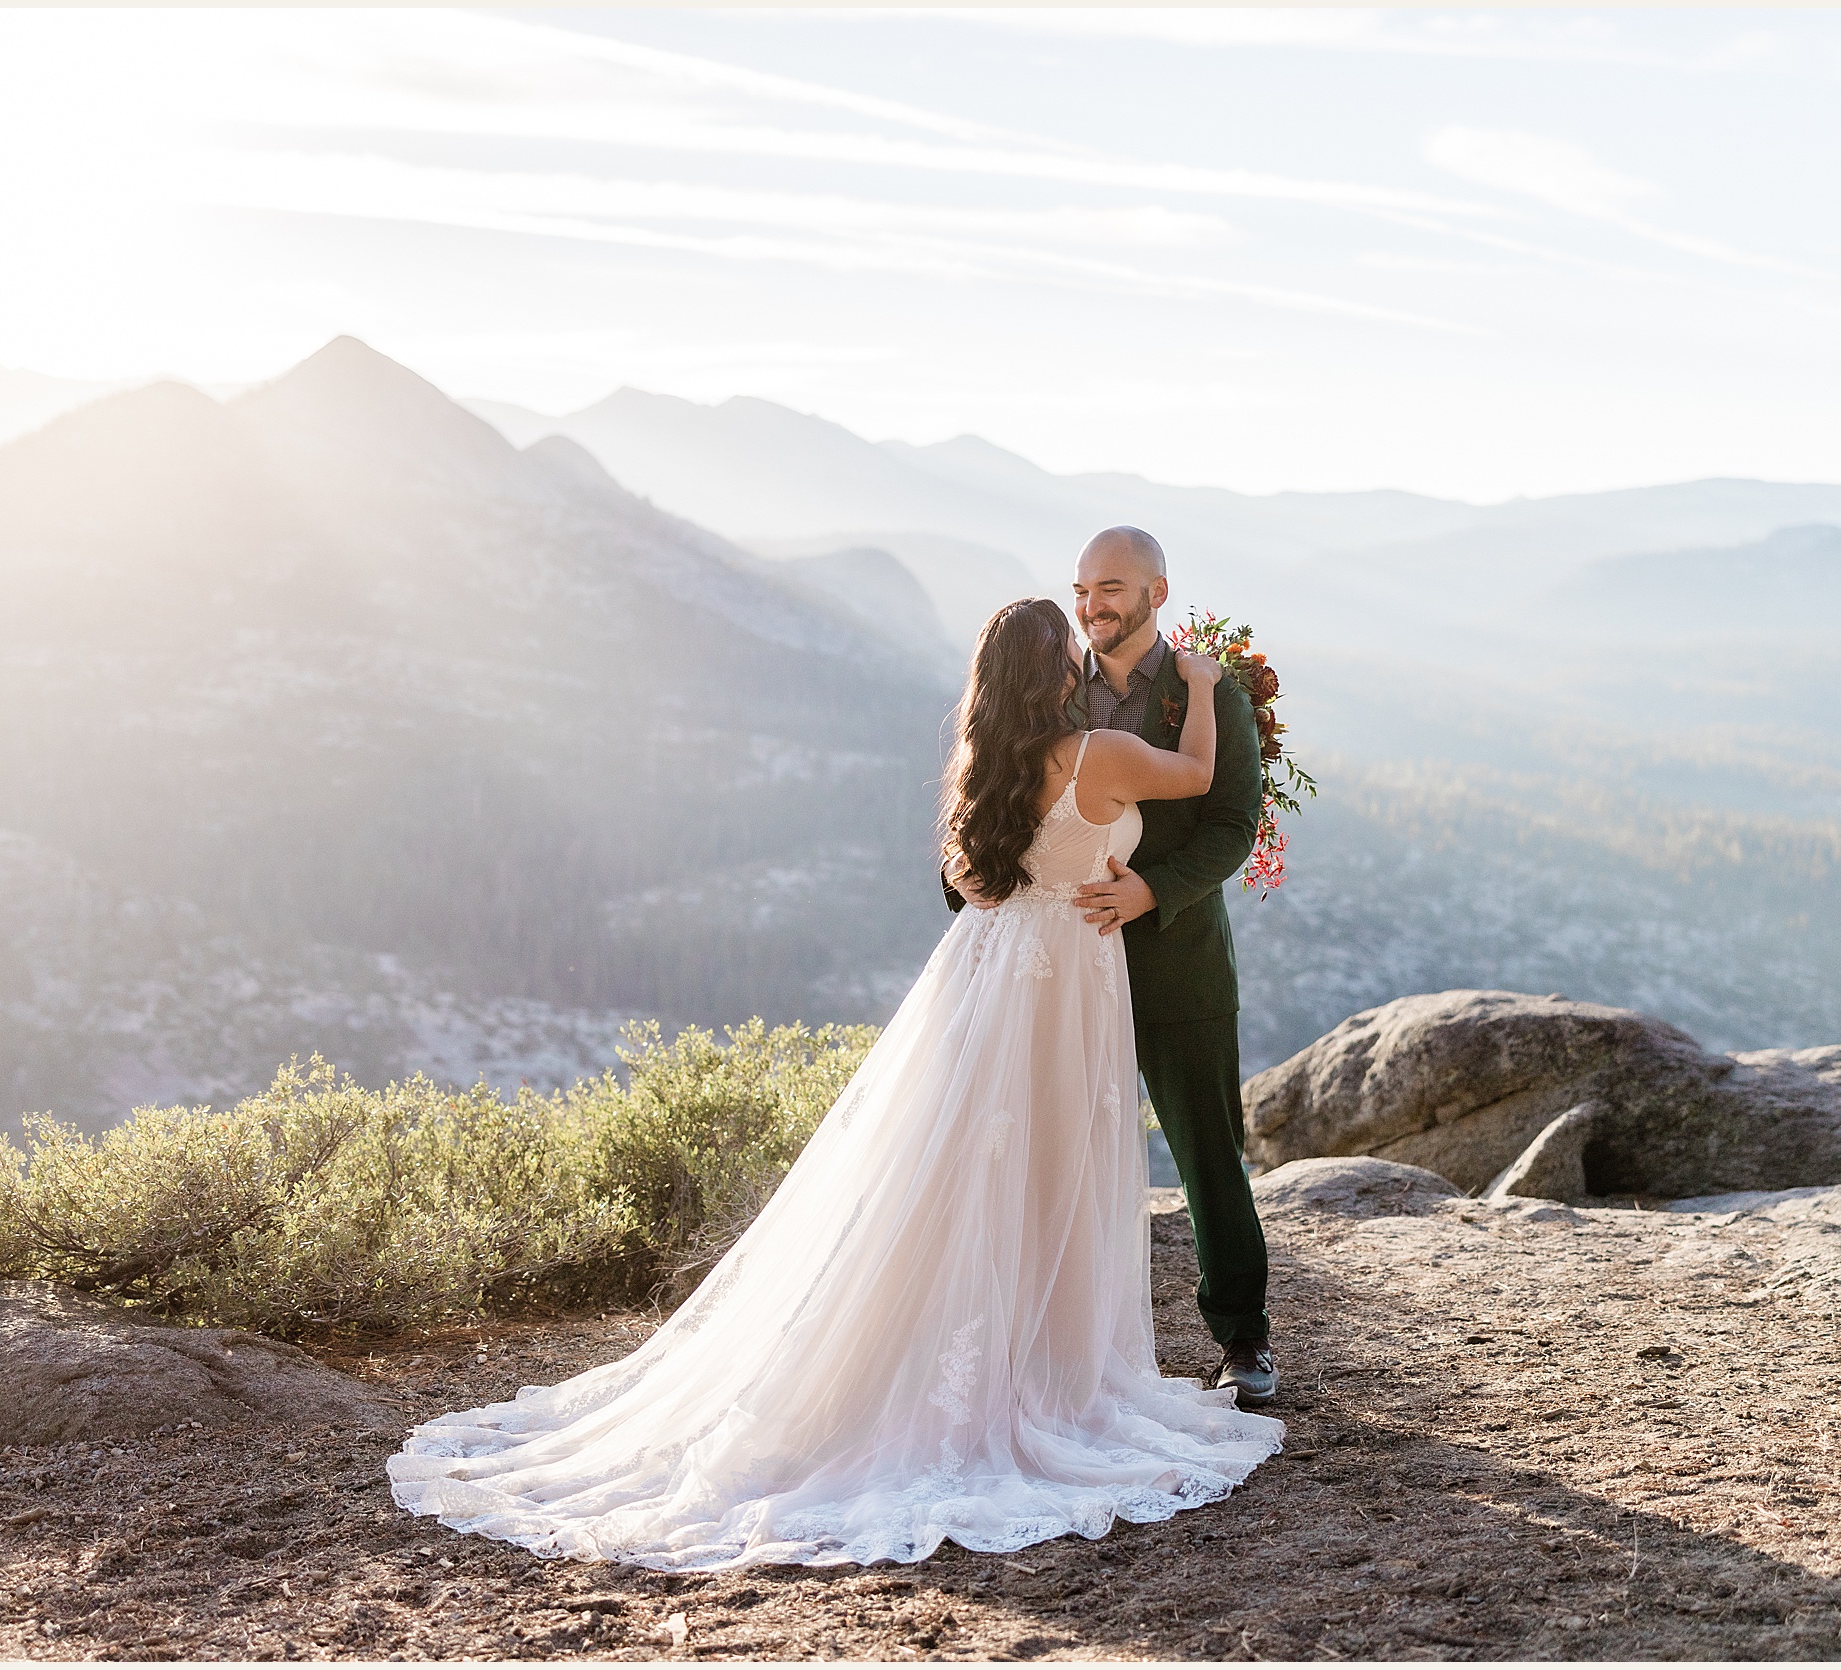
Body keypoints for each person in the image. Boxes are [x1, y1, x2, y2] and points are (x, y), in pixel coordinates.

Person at [388, 597, 1283, 1572]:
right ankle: (1043, 1374)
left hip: (986, 976)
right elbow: (1197, 773)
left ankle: (975, 1358)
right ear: (1055, 668)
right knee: (1053, 1167)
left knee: (964, 1173)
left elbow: (976, 880)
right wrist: (1200, 685)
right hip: (1065, 973)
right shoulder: (1095, 753)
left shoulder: (983, 765)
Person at [949, 526, 1277, 1405]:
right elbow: (999, 793)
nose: (1094, 604)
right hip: (1057, 979)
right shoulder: (1048, 693)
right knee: (1045, 1155)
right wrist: (968, 883)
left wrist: (1152, 893)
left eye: (1113, 589)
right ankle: (1042, 1347)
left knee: (1210, 1157)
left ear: (1156, 594)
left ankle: (1243, 1340)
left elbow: (1231, 824)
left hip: (1175, 966)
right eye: (1084, 589)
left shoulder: (1213, 697)